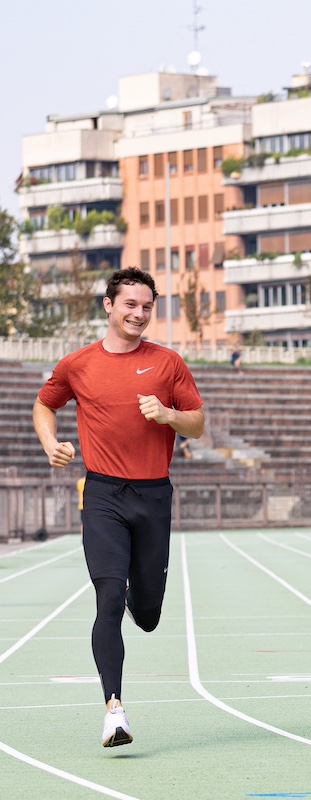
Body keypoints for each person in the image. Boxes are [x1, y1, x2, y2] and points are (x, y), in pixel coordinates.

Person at [32, 267, 205, 749]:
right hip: (104, 495)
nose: (139, 313)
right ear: (108, 306)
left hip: (153, 496)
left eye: (147, 306)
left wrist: (169, 415)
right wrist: (51, 443)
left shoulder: (168, 363)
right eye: (130, 304)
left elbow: (197, 424)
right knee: (108, 595)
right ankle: (114, 709)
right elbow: (45, 405)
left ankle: (139, 599)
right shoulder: (78, 364)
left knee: (146, 613)